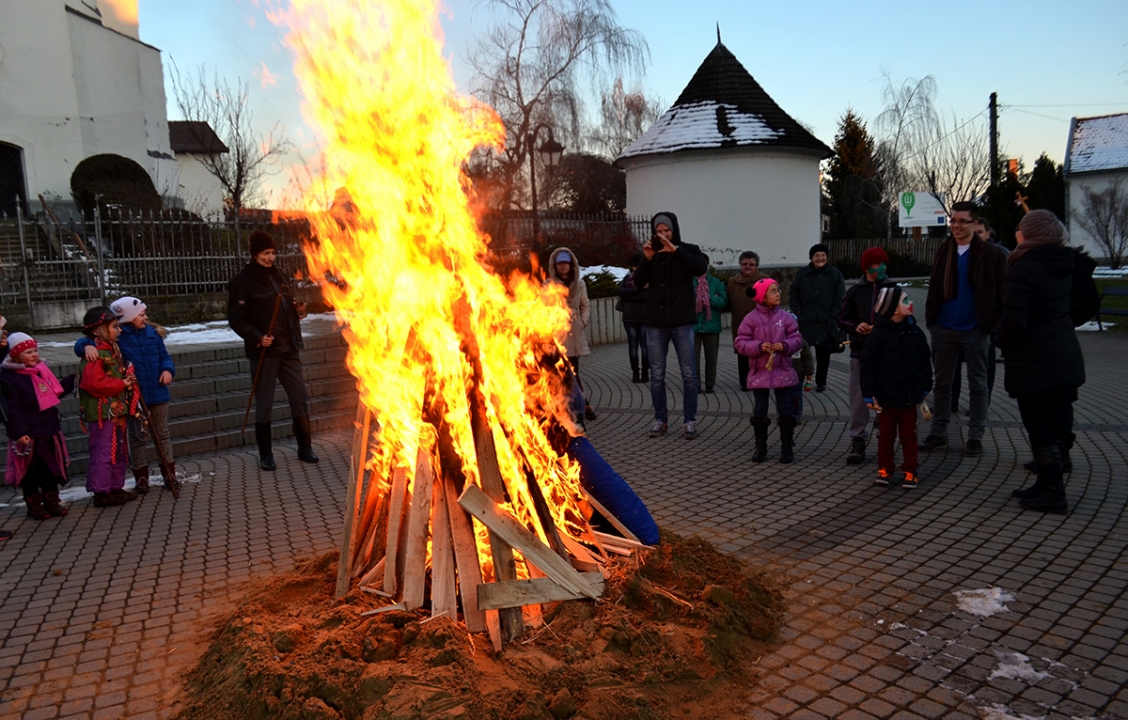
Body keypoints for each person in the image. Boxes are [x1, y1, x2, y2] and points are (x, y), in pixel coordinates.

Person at [997, 211, 1088, 514]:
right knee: (1056, 423)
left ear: (1030, 233)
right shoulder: (1065, 263)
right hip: (1064, 353)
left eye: (1020, 228)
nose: (1017, 232)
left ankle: (1054, 492)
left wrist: (999, 340)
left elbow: (1014, 321)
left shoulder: (1024, 268)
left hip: (1034, 360)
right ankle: (1046, 483)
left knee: (1039, 428)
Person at [919, 202, 1008, 457]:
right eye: (953, 221)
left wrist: (990, 324)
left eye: (962, 221)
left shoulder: (990, 254)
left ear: (974, 223)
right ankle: (938, 432)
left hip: (976, 329)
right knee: (942, 384)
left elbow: (1002, 291)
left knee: (978, 384)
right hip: (944, 327)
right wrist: (933, 322)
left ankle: (975, 436)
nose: (956, 226)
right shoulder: (944, 250)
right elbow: (935, 287)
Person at [228, 230, 318, 471]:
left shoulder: (279, 275)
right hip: (265, 352)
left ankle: (305, 447)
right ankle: (266, 454)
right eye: (265, 253)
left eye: (272, 253)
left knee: (299, 397)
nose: (270, 258)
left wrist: (297, 310)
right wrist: (257, 337)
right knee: (265, 403)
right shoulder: (242, 282)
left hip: (289, 348)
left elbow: (286, 305)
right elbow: (236, 319)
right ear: (255, 254)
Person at [76, 297, 177, 494]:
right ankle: (141, 477)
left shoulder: (153, 334)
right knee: (137, 436)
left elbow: (165, 356)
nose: (145, 318)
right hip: (134, 397)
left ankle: (169, 474)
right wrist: (86, 346)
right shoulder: (118, 338)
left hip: (158, 392)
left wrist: (167, 370)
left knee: (162, 434)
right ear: (129, 318)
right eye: (141, 314)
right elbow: (88, 341)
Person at [632, 212, 708, 440]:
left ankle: (690, 420)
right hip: (656, 322)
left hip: (682, 321)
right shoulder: (651, 253)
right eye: (659, 231)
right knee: (656, 374)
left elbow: (699, 268)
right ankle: (660, 419)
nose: (663, 235)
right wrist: (646, 259)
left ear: (674, 230)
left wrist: (675, 250)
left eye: (667, 230)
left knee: (689, 374)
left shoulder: (689, 249)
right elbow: (637, 283)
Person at [860, 287, 933, 488]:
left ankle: (911, 469)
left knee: (909, 435)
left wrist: (925, 386)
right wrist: (869, 394)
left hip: (910, 395)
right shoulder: (877, 336)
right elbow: (868, 367)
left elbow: (925, 362)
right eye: (905, 300)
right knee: (886, 435)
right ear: (893, 309)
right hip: (886, 396)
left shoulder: (915, 332)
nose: (911, 303)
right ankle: (885, 468)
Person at [2, 333, 76, 519]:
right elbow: (13, 409)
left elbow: (52, 393)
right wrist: (19, 432)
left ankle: (52, 500)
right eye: (28, 352)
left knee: (49, 469)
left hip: (48, 428)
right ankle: (34, 504)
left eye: (35, 350)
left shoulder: (41, 371)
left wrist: (70, 381)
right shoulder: (10, 379)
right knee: (31, 472)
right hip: (29, 433)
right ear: (15, 355)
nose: (34, 354)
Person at [838, 247, 897, 464]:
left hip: (886, 354)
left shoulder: (893, 289)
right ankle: (858, 439)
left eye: (884, 264)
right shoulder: (855, 292)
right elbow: (842, 318)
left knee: (884, 398)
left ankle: (884, 438)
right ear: (866, 267)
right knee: (858, 399)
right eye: (876, 264)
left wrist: (884, 328)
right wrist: (856, 327)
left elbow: (904, 317)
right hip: (860, 353)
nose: (881, 268)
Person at [734, 278, 803, 463]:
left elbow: (797, 339)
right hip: (760, 372)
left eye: (778, 290)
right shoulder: (751, 319)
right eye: (773, 291)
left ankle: (787, 447)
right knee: (760, 410)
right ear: (762, 296)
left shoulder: (786, 318)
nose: (778, 294)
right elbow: (740, 342)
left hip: (783, 371)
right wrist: (758, 347)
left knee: (785, 409)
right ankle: (761, 446)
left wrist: (785, 345)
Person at [78, 307, 140, 507]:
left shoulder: (112, 350)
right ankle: (101, 491)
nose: (119, 330)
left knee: (118, 451)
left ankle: (115, 486)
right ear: (98, 330)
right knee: (104, 452)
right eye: (114, 327)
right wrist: (121, 384)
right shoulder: (95, 354)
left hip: (116, 412)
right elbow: (92, 383)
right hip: (102, 414)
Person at [950, 218, 1010, 412]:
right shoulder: (956, 253)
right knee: (953, 364)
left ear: (988, 234)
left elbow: (1005, 289)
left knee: (983, 367)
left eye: (979, 233)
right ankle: (951, 402)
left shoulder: (998, 254)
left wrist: (995, 318)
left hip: (985, 323)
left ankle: (980, 404)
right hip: (958, 321)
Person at [789, 243, 846, 392]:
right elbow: (793, 293)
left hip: (826, 320)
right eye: (816, 255)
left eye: (823, 255)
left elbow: (840, 297)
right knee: (801, 352)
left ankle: (821, 382)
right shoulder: (802, 274)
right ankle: (800, 378)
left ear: (827, 257)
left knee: (824, 354)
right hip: (806, 320)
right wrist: (798, 310)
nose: (820, 258)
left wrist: (834, 315)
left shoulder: (834, 274)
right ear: (811, 258)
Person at [548, 247, 596, 421]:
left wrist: (582, 321)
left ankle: (583, 406)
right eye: (559, 263)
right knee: (560, 372)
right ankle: (572, 407)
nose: (562, 266)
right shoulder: (549, 285)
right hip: (557, 332)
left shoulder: (579, 284)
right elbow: (544, 307)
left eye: (565, 263)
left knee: (574, 371)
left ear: (571, 264)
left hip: (574, 330)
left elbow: (585, 304)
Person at [726, 251, 761, 390]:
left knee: (758, 352)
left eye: (751, 264)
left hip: (760, 324)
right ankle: (744, 382)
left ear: (756, 266)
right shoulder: (733, 282)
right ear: (740, 265)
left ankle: (759, 380)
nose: (748, 267)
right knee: (742, 352)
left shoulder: (763, 280)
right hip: (740, 323)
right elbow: (728, 301)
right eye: (745, 264)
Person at [693, 255, 728, 394]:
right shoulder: (688, 282)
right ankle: (695, 384)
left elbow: (723, 302)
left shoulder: (716, 282)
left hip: (712, 324)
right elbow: (683, 300)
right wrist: (697, 300)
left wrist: (708, 299)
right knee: (693, 357)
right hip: (694, 325)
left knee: (711, 358)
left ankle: (710, 384)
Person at [616, 253, 649, 384]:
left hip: (644, 317)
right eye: (634, 266)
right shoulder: (627, 278)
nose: (636, 268)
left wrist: (630, 294)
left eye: (638, 265)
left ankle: (645, 372)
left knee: (644, 345)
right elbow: (620, 292)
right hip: (629, 317)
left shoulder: (648, 278)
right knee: (633, 345)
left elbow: (647, 296)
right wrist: (639, 290)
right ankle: (635, 372)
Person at [789, 333, 814, 422]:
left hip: (797, 374)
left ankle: (796, 413)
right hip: (781, 374)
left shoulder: (800, 341)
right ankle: (785, 414)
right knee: (783, 396)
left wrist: (809, 373)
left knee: (796, 395)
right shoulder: (778, 339)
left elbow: (807, 358)